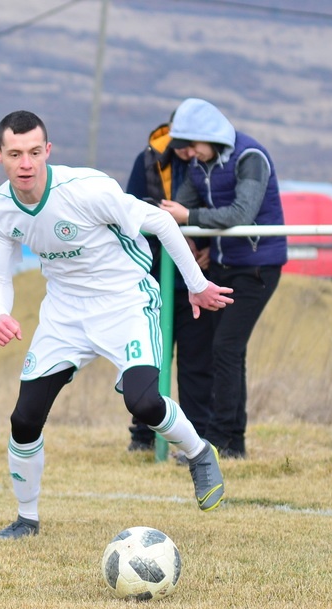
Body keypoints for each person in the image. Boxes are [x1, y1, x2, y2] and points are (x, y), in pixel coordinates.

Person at [0, 110, 233, 540]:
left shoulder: (87, 190)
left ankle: (198, 453)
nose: (26, 164)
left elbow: (160, 222)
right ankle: (26, 519)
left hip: (124, 302)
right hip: (64, 313)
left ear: (48, 150)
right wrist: (0, 314)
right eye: (15, 154)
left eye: (34, 152)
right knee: (24, 419)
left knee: (144, 403)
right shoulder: (1, 208)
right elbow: (0, 276)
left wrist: (196, 285)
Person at [160, 98, 287, 459]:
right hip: (221, 265)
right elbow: (178, 208)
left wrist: (188, 218)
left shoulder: (250, 157)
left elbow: (240, 213)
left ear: (210, 136)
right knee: (231, 353)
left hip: (257, 267)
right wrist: (188, 237)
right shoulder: (199, 164)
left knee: (226, 349)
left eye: (191, 145)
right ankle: (234, 444)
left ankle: (215, 444)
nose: (188, 153)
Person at [124, 119, 214, 453]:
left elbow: (222, 211)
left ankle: (195, 440)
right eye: (184, 143)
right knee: (148, 361)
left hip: (198, 284)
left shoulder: (213, 161)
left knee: (196, 365)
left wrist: (209, 249)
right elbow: (130, 213)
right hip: (153, 280)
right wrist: (172, 238)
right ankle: (143, 437)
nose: (190, 152)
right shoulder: (147, 161)